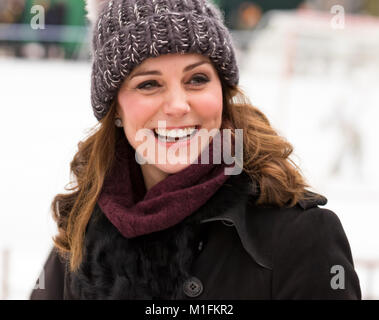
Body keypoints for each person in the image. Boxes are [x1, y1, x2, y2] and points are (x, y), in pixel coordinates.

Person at [30, 0, 361, 300]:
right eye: (149, 84)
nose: (178, 105)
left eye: (197, 79)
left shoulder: (302, 238)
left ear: (222, 90)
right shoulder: (82, 232)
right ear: (115, 108)